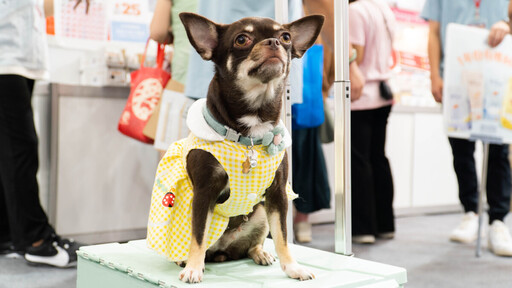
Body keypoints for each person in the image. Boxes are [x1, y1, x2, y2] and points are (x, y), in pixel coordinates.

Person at [0, 0, 88, 267]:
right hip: (5, 57)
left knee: (9, 153)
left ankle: (10, 236)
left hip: (21, 57)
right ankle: (36, 241)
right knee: (20, 149)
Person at [421, 0, 512, 257]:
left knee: (498, 152)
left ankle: (498, 220)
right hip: (456, 78)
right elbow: (434, 34)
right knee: (461, 150)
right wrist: (434, 76)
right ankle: (470, 212)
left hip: (499, 75)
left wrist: (507, 24)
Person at [348, 0, 397, 244]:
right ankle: (385, 224)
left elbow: (357, 52)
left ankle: (363, 227)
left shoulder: (355, 11)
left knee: (359, 162)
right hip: (383, 92)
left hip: (362, 95)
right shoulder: (383, 8)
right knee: (378, 158)